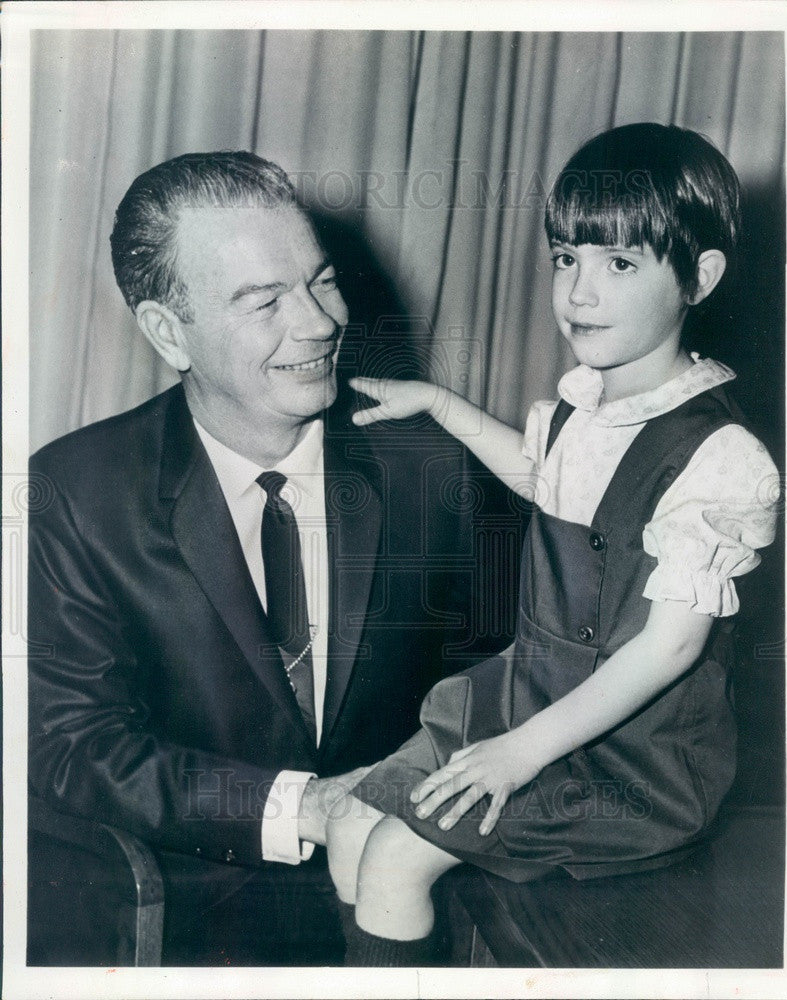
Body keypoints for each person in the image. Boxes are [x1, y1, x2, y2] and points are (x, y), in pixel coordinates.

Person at [26, 151, 523, 965]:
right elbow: (73, 743)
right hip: (185, 917)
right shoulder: (77, 495)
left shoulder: (429, 462)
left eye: (322, 281)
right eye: (264, 302)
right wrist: (304, 807)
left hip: (426, 898)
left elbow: (506, 671)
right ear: (167, 332)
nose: (321, 323)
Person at [324, 122, 780, 966]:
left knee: (395, 858)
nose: (579, 292)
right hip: (527, 694)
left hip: (630, 760)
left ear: (699, 278)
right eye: (567, 258)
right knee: (353, 822)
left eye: (620, 264)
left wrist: (518, 753)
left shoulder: (723, 458)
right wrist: (440, 404)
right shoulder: (585, 405)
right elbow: (549, 481)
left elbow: (669, 650)